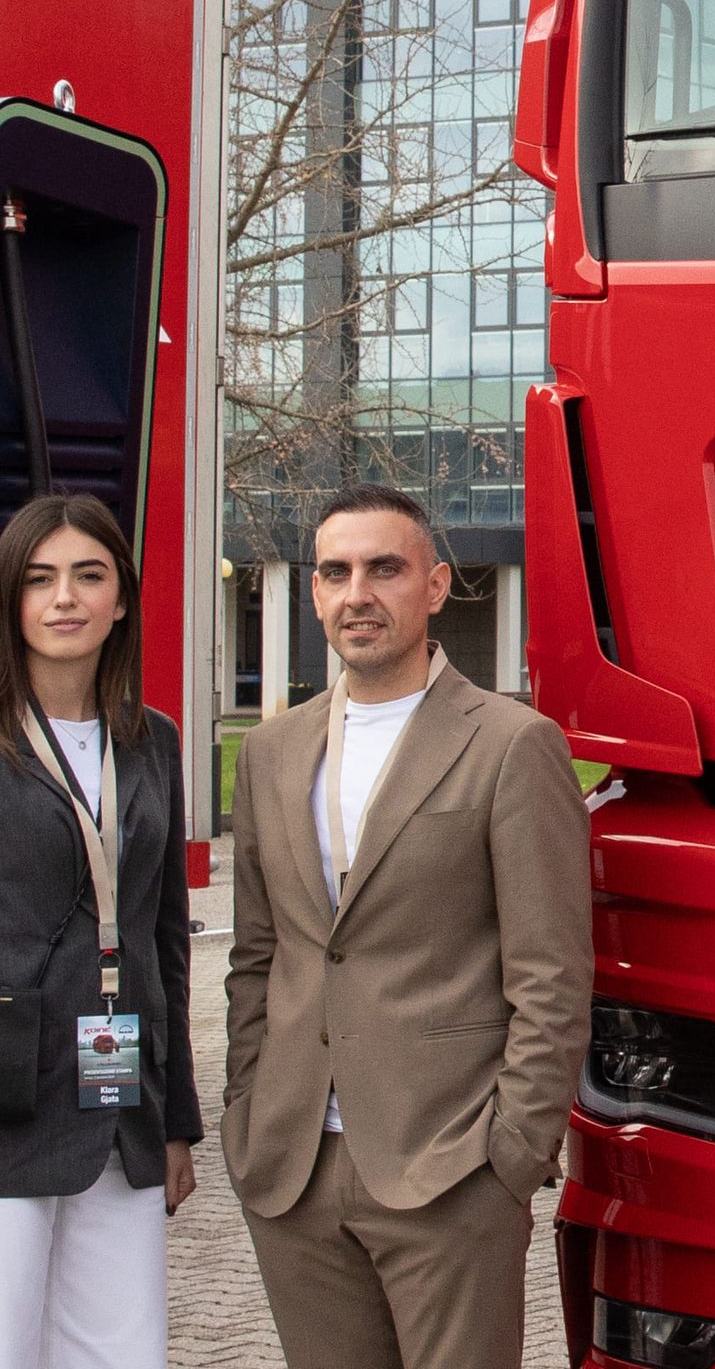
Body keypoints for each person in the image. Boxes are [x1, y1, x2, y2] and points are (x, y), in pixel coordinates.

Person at [226, 484, 592, 1369]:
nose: (358, 593)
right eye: (336, 572)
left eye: (384, 568)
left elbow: (551, 973)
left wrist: (512, 1155)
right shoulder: (275, 753)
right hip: (295, 1167)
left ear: (434, 586)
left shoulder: (511, 744)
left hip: (450, 1166)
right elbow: (256, 954)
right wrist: (246, 1111)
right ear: (313, 594)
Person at [0, 493, 202, 1369]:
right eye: (40, 579)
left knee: (118, 1353)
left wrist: (174, 1122)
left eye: (89, 576)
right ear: (10, 602)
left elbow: (163, 943)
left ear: (121, 599)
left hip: (117, 1110)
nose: (65, 598)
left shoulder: (153, 743)